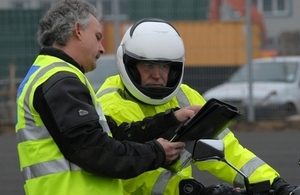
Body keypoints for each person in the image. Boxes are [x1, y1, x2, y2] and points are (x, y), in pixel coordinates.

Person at [96, 18, 300, 195]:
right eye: (148, 66)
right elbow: (132, 171)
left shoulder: (185, 96)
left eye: (164, 66)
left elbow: (226, 150)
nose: (157, 75)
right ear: (130, 65)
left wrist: (276, 184)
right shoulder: (113, 102)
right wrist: (191, 189)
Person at [14, 2, 198, 195]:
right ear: (78, 30)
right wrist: (157, 153)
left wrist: (170, 120)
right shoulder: (60, 79)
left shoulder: (48, 74)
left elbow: (111, 134)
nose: (102, 48)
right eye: (98, 37)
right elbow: (96, 151)